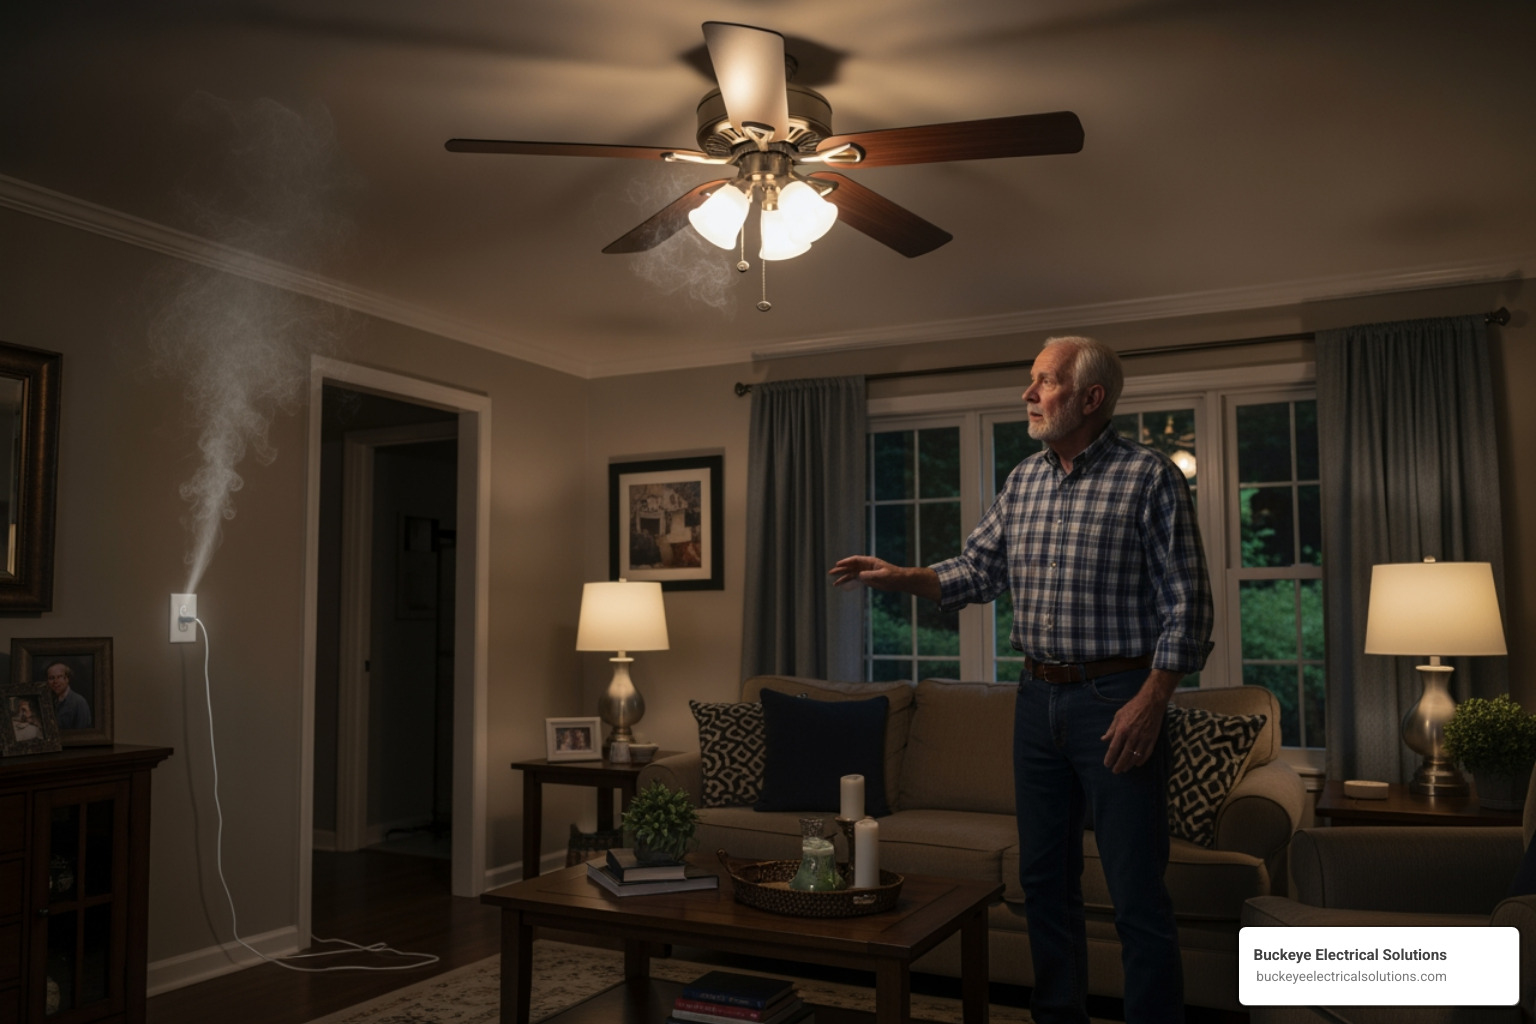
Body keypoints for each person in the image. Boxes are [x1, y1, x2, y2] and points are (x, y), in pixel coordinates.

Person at [829, 336, 1212, 1024]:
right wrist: (900, 577)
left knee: (1134, 891)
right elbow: (977, 571)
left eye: (1045, 382)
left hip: (1115, 702)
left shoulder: (1149, 476)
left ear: (1091, 398)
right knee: (1044, 881)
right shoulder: (1023, 480)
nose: (1028, 394)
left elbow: (1189, 604)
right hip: (1036, 701)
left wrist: (1153, 700)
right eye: (1031, 382)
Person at [46, 662, 92, 730]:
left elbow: (83, 734)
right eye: (51, 678)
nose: (55, 681)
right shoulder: (47, 701)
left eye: (59, 677)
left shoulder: (79, 702)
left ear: (67, 679)